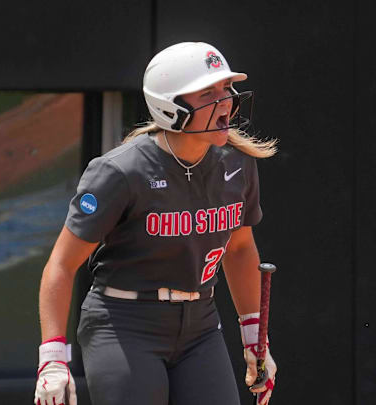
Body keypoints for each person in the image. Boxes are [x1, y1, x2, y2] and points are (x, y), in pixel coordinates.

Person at [33, 42, 277, 405]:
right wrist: (52, 359)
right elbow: (62, 265)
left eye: (227, 88)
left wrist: (255, 336)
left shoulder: (237, 162)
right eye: (208, 91)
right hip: (125, 324)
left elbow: (240, 249)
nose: (225, 99)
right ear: (170, 106)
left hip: (201, 324)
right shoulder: (120, 171)